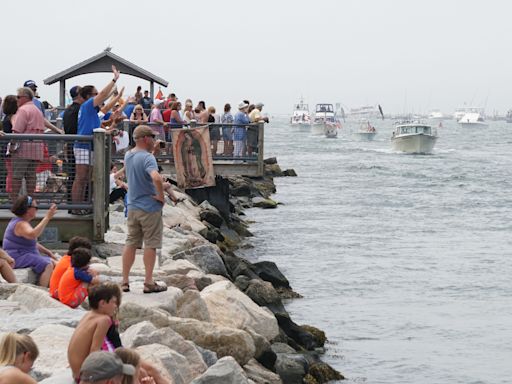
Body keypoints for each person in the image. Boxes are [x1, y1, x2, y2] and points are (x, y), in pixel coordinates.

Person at [121, 125, 167, 294]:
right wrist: (161, 196)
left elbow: (141, 166)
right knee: (151, 244)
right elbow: (155, 177)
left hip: (132, 206)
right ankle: (148, 282)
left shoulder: (128, 155)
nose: (154, 140)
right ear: (146, 139)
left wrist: (152, 152)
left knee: (131, 242)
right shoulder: (148, 158)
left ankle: (124, 281)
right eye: (152, 137)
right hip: (149, 207)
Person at [71, 65, 121, 215]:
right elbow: (105, 94)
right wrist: (114, 79)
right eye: (95, 93)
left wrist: (108, 131)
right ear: (88, 96)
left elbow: (106, 102)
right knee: (80, 178)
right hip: (82, 146)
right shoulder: (87, 105)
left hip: (90, 146)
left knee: (86, 179)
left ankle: (82, 206)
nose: (98, 95)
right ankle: (76, 207)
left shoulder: (92, 110)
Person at [68, 282, 122, 380]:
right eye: (113, 302)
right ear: (102, 303)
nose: (115, 306)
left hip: (76, 372)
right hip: (85, 375)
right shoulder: (104, 320)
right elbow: (95, 351)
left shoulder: (88, 315)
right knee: (137, 370)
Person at [2, 195, 58, 287]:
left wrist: (48, 252)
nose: (37, 210)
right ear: (27, 209)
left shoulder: (21, 222)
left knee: (55, 263)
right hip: (17, 256)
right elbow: (33, 234)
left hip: (25, 254)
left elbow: (32, 242)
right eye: (36, 207)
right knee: (48, 264)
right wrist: (47, 217)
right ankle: (42, 290)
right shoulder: (20, 224)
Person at [10, 87, 45, 200]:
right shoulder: (38, 110)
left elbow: (17, 130)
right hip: (37, 149)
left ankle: (15, 201)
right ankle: (31, 201)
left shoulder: (23, 110)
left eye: (18, 97)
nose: (17, 99)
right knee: (31, 176)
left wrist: (11, 146)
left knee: (17, 176)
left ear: (25, 97)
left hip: (23, 149)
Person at [1, 95, 17, 193]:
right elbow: (16, 127)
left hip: (5, 147)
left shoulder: (5, 117)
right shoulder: (12, 117)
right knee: (12, 173)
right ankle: (11, 191)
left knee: (9, 171)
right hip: (10, 148)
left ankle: (9, 191)